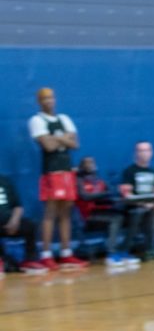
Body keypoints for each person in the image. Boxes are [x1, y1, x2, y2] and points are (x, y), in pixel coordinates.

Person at [28, 87, 88, 269]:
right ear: (39, 101)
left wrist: (56, 138)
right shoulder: (37, 121)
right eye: (44, 98)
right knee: (50, 213)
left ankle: (66, 253)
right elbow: (48, 147)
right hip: (51, 172)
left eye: (51, 97)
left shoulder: (64, 118)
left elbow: (75, 143)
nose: (49, 101)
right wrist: (63, 138)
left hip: (67, 170)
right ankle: (46, 254)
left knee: (66, 213)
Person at [75, 156, 138, 268]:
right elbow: (85, 196)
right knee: (116, 218)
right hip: (87, 216)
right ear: (81, 166)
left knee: (132, 214)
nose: (90, 165)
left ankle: (124, 250)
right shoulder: (79, 180)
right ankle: (112, 253)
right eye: (87, 163)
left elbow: (112, 191)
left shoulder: (99, 180)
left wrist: (121, 190)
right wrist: (107, 194)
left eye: (92, 162)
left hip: (102, 211)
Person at [0, 172, 49, 275]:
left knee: (30, 225)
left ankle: (30, 261)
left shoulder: (5, 181)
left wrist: (14, 221)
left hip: (9, 223)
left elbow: (18, 206)